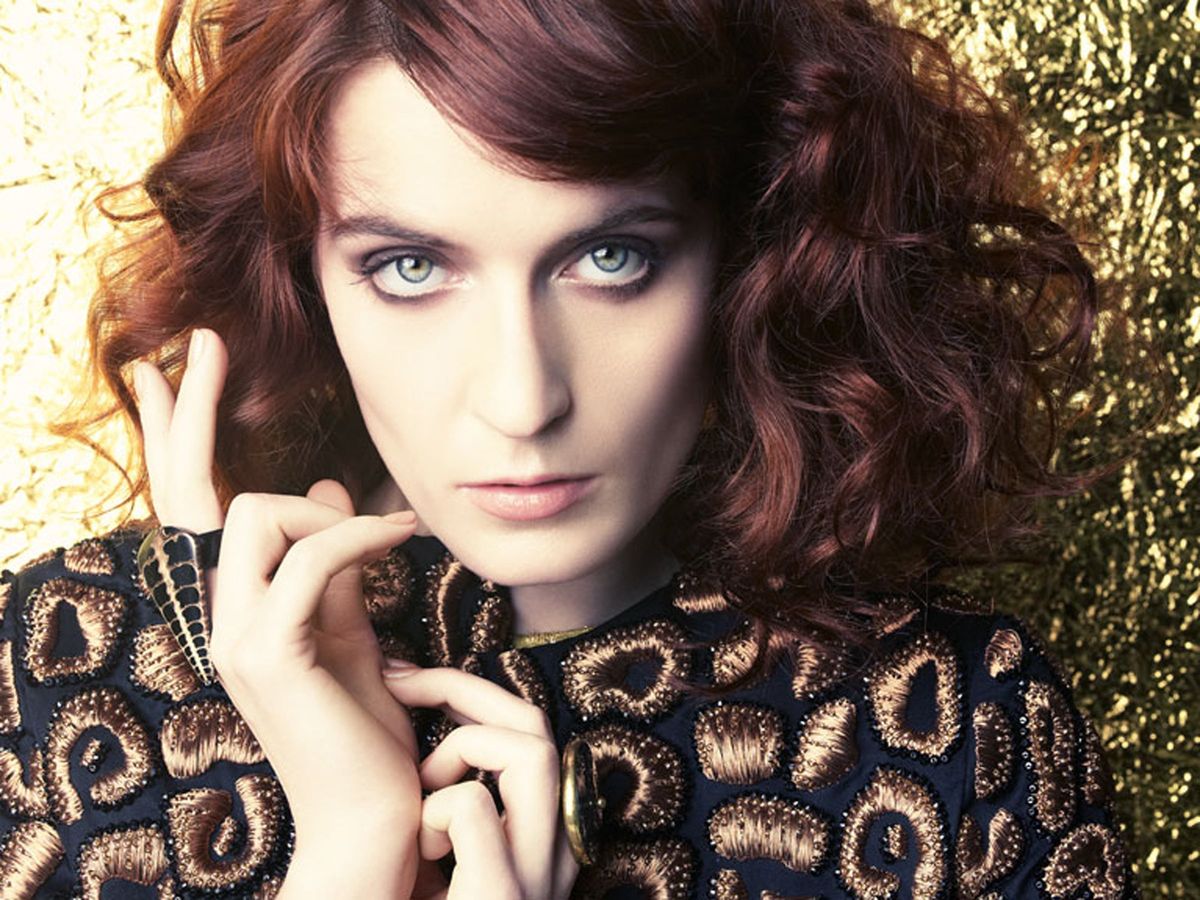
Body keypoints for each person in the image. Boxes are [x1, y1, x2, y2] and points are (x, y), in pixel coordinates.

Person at [0, 0, 1141, 897]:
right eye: (410, 268)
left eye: (610, 259)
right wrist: (353, 847)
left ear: (751, 253)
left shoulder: (958, 728)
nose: (521, 399)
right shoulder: (60, 668)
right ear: (301, 275)